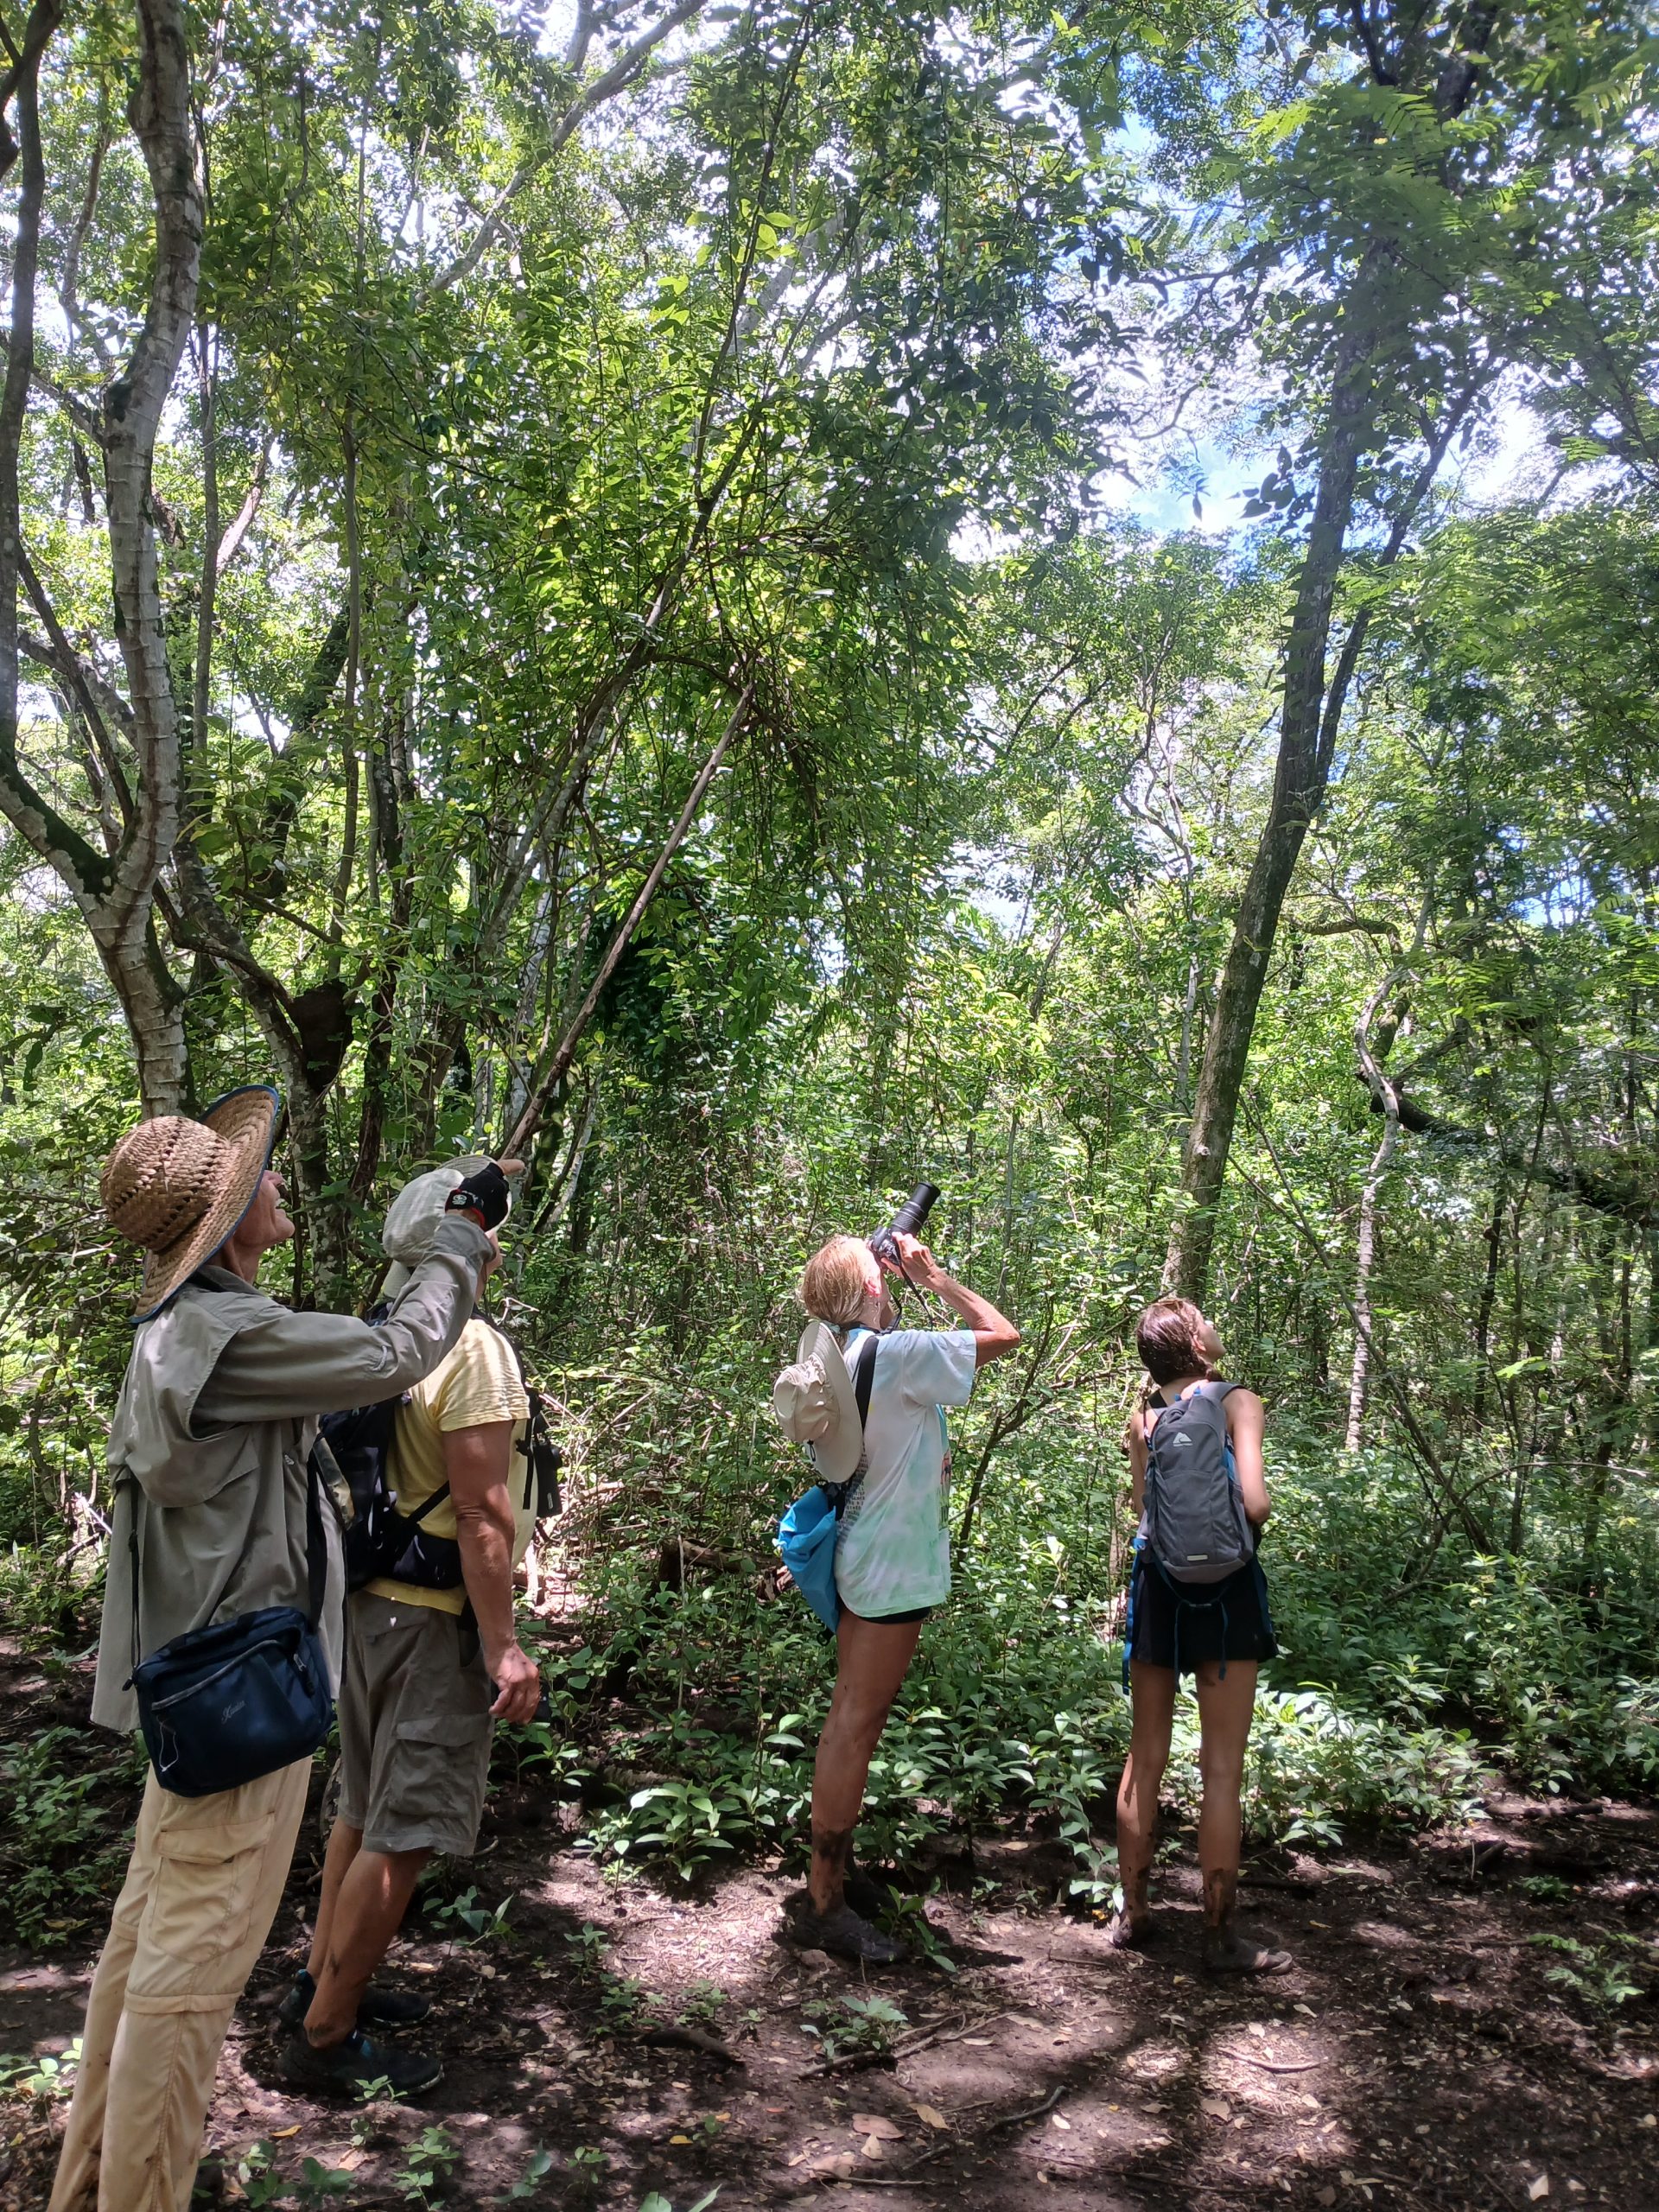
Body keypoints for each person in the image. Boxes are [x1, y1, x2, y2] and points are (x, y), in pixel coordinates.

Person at [50, 1092, 509, 2212]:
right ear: (223, 1220)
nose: (275, 1181)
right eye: (256, 1176)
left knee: (144, 1943)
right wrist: (458, 1238)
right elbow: (399, 1349)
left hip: (201, 1689)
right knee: (187, 1977)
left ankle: (93, 2181)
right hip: (240, 1701)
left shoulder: (185, 1331)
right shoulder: (226, 1336)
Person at [278, 1165, 545, 2097]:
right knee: (405, 1830)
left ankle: (321, 1977)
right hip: (431, 1625)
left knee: (362, 1809)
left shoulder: (379, 1335)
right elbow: (481, 1512)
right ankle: (325, 2033)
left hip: (367, 1610)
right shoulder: (471, 1347)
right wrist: (503, 1643)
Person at [774, 1230, 1019, 1963]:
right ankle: (824, 1904)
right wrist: (937, 1278)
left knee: (854, 1718)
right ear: (873, 1287)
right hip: (888, 1571)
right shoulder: (902, 1355)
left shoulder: (843, 1357)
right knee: (853, 1725)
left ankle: (836, 1877)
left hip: (863, 1556)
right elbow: (1003, 1334)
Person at [1113, 1295, 1291, 1974]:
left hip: (1158, 1585)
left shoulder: (1144, 1420)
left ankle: (1135, 1916)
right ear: (1194, 1344)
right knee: (1221, 1767)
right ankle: (1219, 1937)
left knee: (1145, 1756)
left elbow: (1141, 1507)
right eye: (1203, 1320)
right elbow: (1256, 1503)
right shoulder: (1238, 1401)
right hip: (1227, 1595)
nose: (1214, 1326)